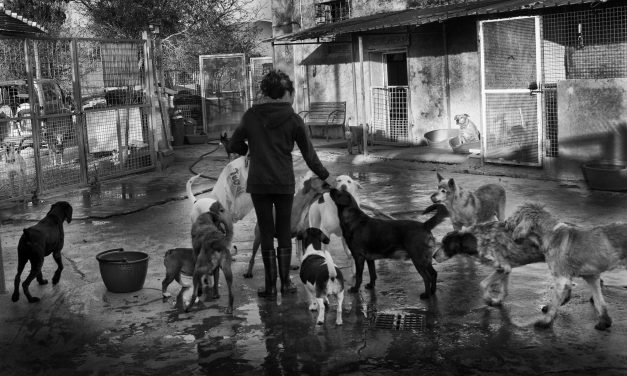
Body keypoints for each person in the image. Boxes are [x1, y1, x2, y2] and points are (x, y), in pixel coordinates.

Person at [227, 70, 333, 299]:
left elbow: (235, 143)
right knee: (284, 232)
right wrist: (327, 176)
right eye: (292, 93)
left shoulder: (251, 116)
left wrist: (247, 151)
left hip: (259, 184)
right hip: (283, 183)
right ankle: (285, 284)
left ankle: (269, 286)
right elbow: (310, 156)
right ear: (286, 93)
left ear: (267, 92)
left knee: (266, 232)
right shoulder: (294, 119)